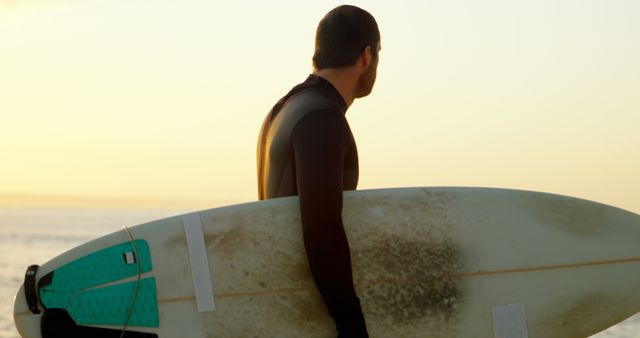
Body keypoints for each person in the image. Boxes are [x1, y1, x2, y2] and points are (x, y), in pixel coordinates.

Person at [256, 5, 380, 338]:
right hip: (310, 314)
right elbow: (321, 226)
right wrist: (350, 321)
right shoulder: (322, 118)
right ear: (367, 56)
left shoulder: (283, 109)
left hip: (284, 307)